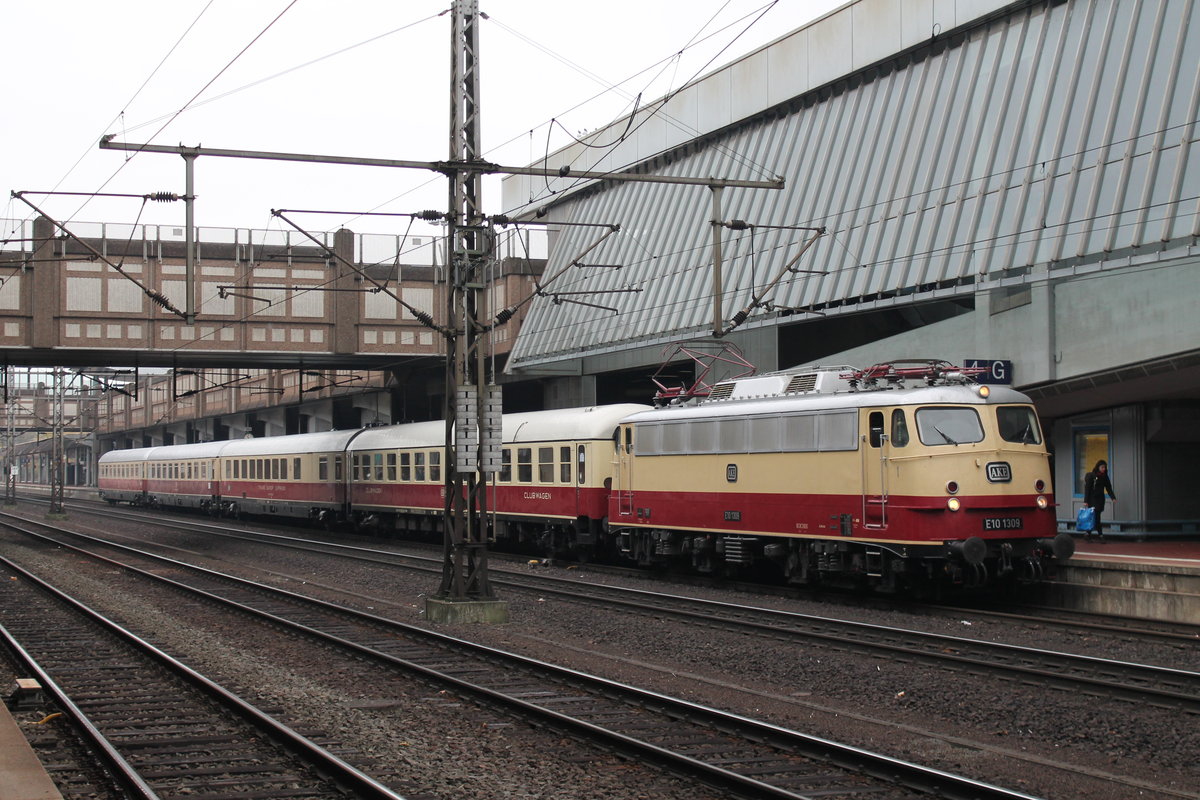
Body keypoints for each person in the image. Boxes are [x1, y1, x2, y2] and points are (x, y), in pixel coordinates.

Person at [1083, 459, 1116, 542]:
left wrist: (1113, 497)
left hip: (1100, 500)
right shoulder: (1092, 476)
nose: (1103, 469)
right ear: (1098, 467)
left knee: (1094, 517)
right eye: (1102, 467)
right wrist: (1086, 501)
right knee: (1096, 517)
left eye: (1104, 467)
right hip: (1092, 500)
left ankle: (1087, 534)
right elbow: (1087, 489)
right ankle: (1100, 535)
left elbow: (1108, 487)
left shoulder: (1104, 477)